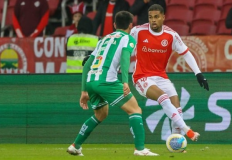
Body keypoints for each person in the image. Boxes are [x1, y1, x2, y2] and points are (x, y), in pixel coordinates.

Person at [67, 11, 158, 156]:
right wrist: (125, 81)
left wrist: (84, 91)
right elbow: (125, 57)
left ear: (114, 25)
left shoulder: (103, 39)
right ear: (130, 25)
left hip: (91, 81)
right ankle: (140, 149)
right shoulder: (128, 39)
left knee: (101, 114)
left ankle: (75, 146)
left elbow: (86, 65)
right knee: (135, 110)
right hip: (106, 81)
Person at [130, 4, 209, 140]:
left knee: (177, 108)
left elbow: (186, 54)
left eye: (156, 17)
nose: (153, 20)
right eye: (150, 17)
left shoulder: (171, 35)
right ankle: (188, 132)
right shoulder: (138, 31)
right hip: (142, 76)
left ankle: (176, 143)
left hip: (161, 77)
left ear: (163, 17)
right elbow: (122, 46)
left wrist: (198, 73)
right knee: (164, 98)